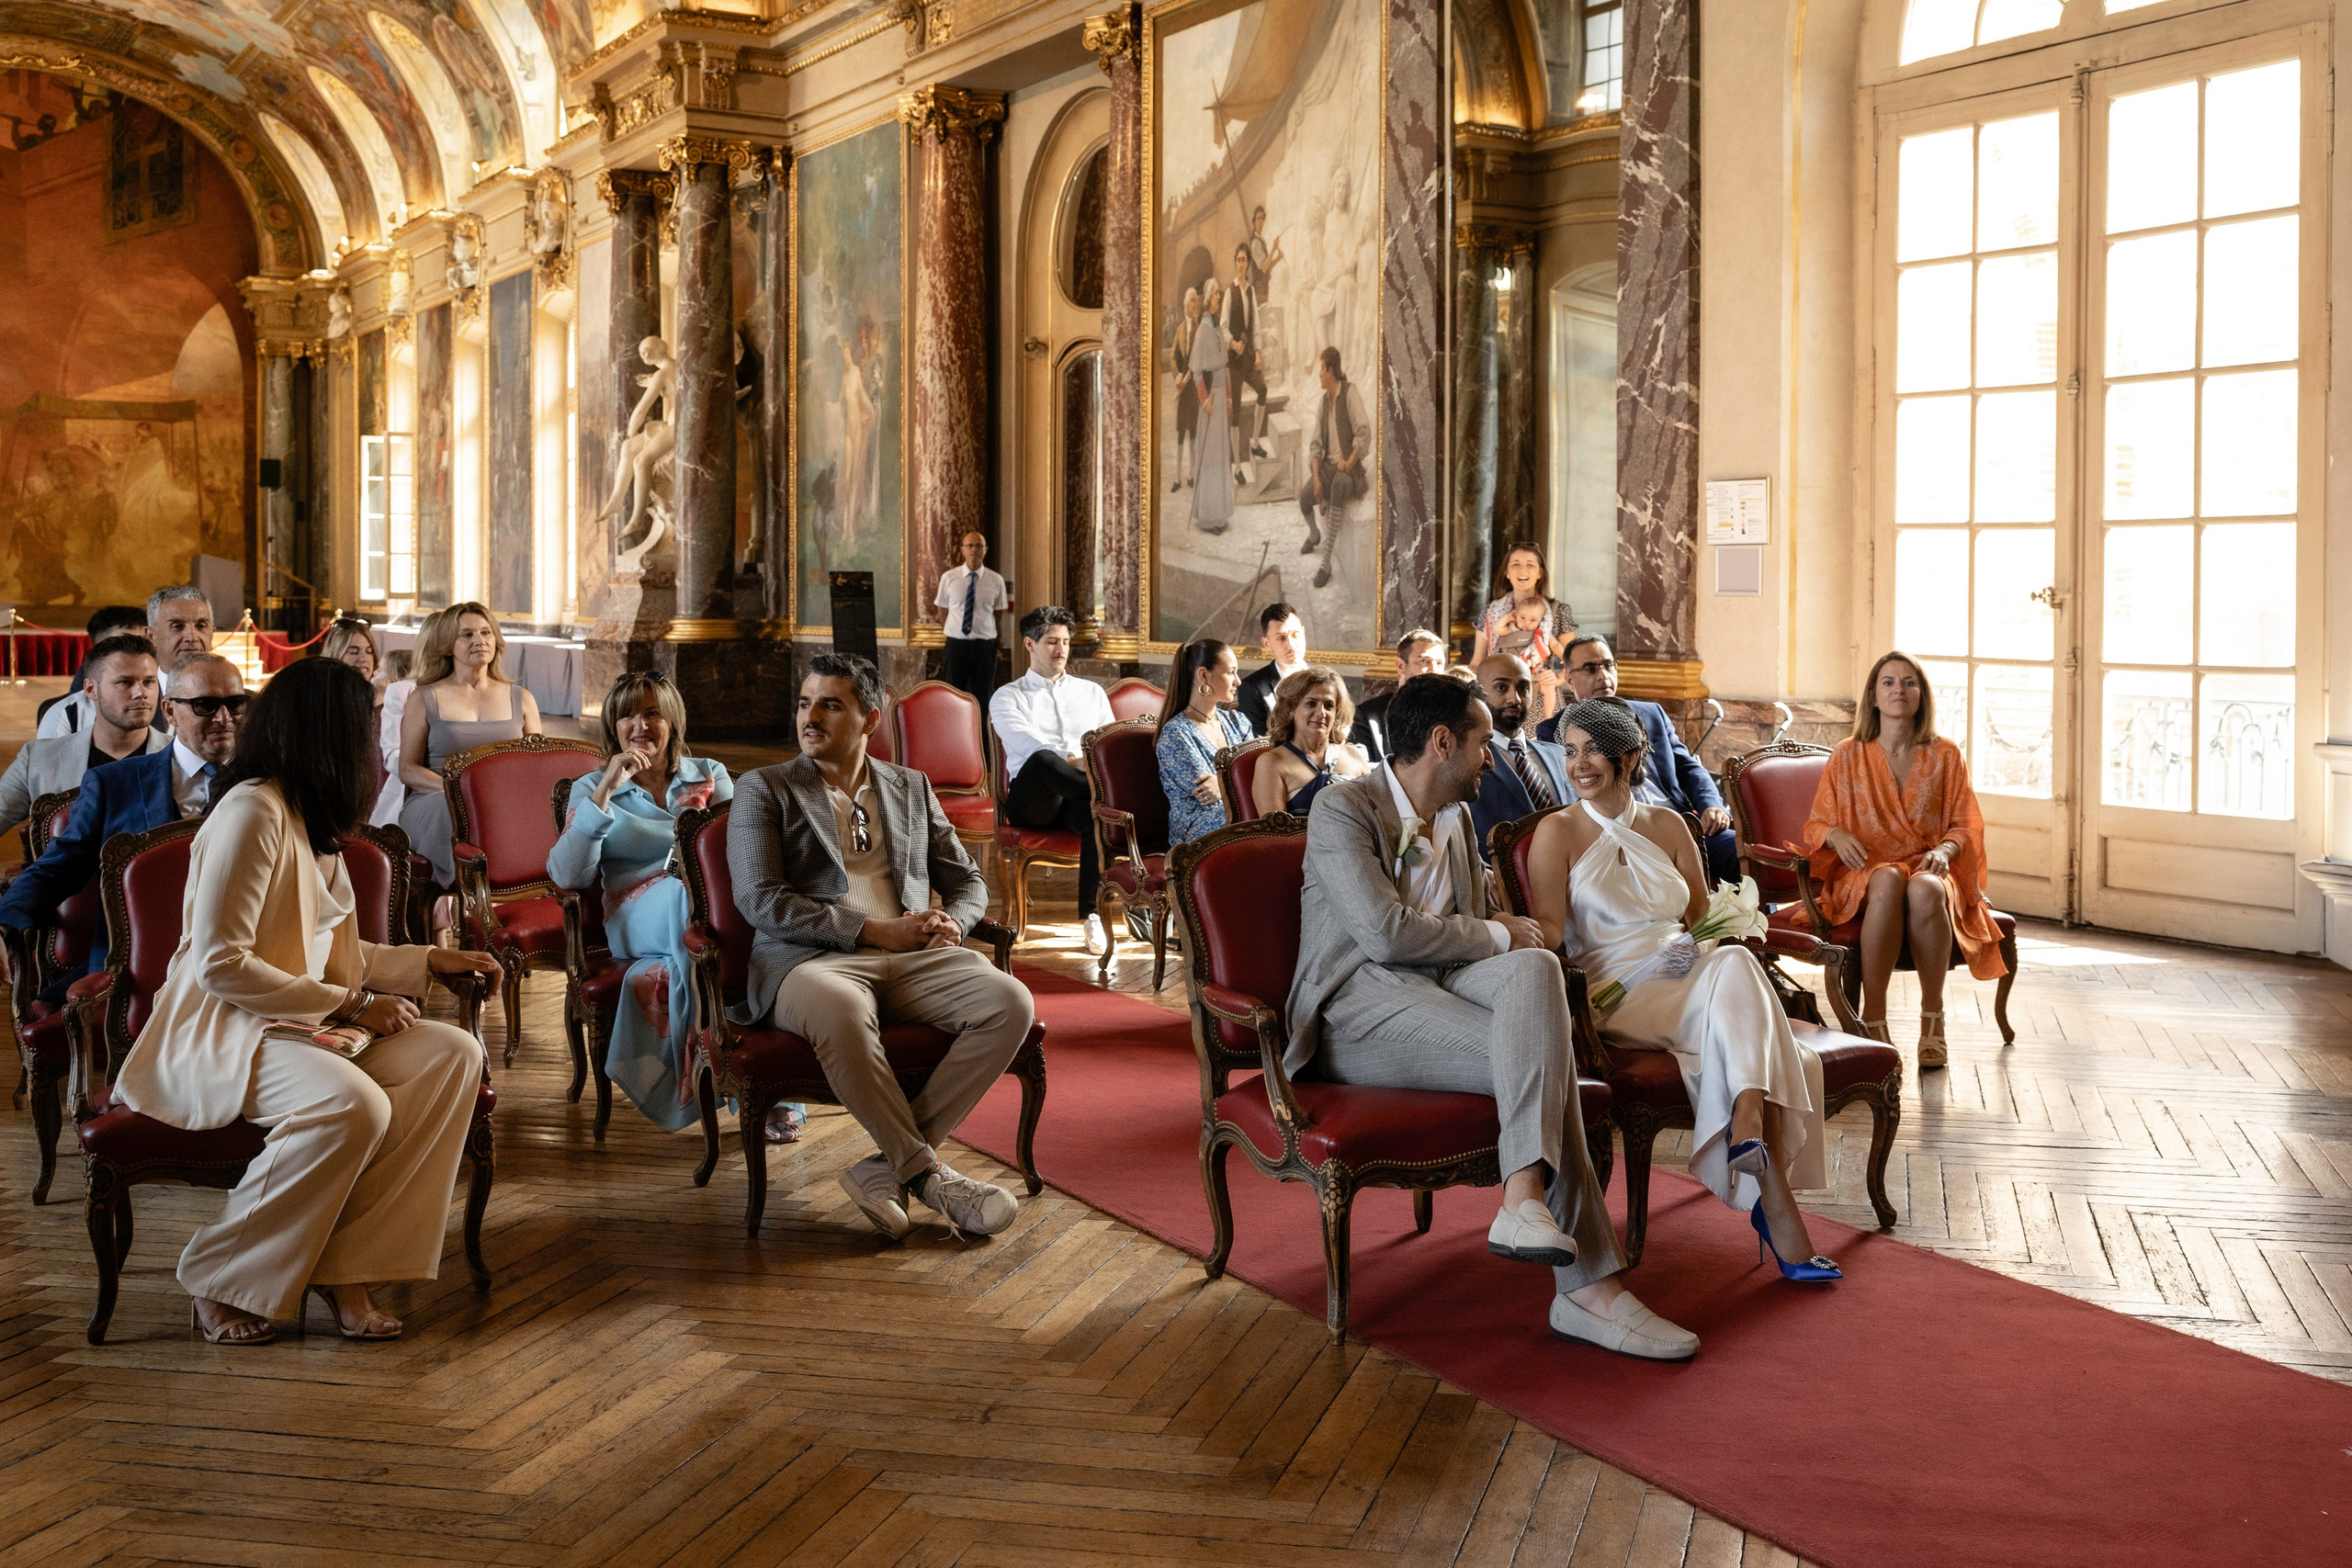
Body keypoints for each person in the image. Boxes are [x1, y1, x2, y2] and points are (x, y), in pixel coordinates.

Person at [1283, 674, 1697, 1359]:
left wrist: (1500, 933)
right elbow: (1385, 933)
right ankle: (1590, 1290)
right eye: (1481, 745)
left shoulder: (1460, 817)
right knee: (1542, 1051)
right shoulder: (1343, 809)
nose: (1492, 760)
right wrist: (1498, 933)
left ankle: (1524, 1200)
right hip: (1355, 1011)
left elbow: (1468, 925)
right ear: (1442, 742)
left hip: (1445, 988)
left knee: (1536, 970)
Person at [110, 656, 500, 1345]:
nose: (374, 744)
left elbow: (331, 955)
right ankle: (217, 1271)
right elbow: (221, 963)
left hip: (297, 1022)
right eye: (365, 726)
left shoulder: (310, 818)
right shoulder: (250, 813)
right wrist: (352, 1004)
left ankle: (346, 1263)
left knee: (454, 1053)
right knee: (353, 1102)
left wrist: (430, 959)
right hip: (229, 1030)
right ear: (327, 732)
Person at [1522, 697, 1841, 1283]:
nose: (1580, 763)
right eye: (1569, 751)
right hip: (1615, 989)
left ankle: (1749, 1125)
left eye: (1593, 748)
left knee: (1734, 960)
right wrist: (1496, 920)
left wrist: (1693, 944)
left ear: (1630, 754)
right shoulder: (1556, 831)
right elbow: (1547, 934)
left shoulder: (1669, 825)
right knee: (1744, 983)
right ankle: (1769, 1178)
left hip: (1688, 971)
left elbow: (1700, 920)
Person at [728, 652, 1036, 1240]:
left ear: (871, 719)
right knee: (845, 1012)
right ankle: (930, 1177)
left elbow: (968, 881)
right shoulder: (765, 789)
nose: (810, 717)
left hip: (913, 957)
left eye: (829, 704)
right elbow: (761, 900)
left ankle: (883, 1167)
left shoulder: (910, 786)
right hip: (808, 964)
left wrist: (956, 923)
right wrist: (871, 932)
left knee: (1011, 1002)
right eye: (804, 702)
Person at [548, 673, 775, 1135]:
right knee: (679, 893)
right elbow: (568, 876)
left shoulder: (710, 775)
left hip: (711, 915)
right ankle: (712, 1049)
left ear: (673, 720)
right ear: (612, 725)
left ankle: (750, 1071)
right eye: (627, 714)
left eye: (652, 712)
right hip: (632, 914)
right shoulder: (590, 786)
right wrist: (607, 790)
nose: (640, 724)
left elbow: (745, 851)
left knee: (756, 937)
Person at [1803, 650, 2008, 1067]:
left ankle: (1933, 1017)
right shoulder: (1847, 754)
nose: (1900, 690)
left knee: (1927, 888)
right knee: (1887, 880)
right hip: (1866, 869)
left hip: (1929, 864)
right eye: (1889, 682)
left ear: (1922, 695)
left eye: (1909, 682)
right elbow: (1816, 824)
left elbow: (1965, 825)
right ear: (1874, 697)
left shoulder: (1946, 754)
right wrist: (1835, 833)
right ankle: (1874, 1018)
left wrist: (1945, 850)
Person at [0, 652, 245, 1001]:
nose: (224, 718)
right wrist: (3, 922)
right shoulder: (113, 784)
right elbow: (59, 869)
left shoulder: (268, 784)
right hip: (131, 973)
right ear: (170, 711)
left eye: (235, 704)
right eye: (205, 705)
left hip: (237, 968)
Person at [1537, 634, 1738, 887]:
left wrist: (1712, 804)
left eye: (1608, 666)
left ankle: (1756, 924)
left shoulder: (1651, 713)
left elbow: (1688, 766)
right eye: (1590, 668)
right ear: (1568, 678)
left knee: (1739, 849)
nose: (1603, 676)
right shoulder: (1556, 730)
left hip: (1680, 823)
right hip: (1620, 836)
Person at [989, 606, 1115, 954]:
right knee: (1044, 758)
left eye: (1065, 642)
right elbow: (1028, 746)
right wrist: (1076, 761)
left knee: (1095, 815)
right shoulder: (1007, 696)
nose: (1061, 650)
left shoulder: (1092, 693)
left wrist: (1087, 767)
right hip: (1033, 802)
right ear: (1029, 644)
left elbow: (1106, 744)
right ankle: (1106, 798)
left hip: (1077, 798)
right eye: (1051, 642)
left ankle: (1092, 916)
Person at [397, 603, 541, 889]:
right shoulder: (424, 698)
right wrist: (461, 793)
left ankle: (527, 887)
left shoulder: (522, 698)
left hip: (503, 799)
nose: (480, 640)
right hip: (437, 799)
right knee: (451, 811)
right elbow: (408, 770)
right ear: (448, 646)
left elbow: (537, 765)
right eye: (467, 635)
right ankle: (476, 901)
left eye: (486, 632)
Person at [0, 634, 168, 841]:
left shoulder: (181, 757)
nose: (140, 693)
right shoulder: (38, 759)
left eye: (149, 682)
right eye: (125, 682)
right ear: (90, 689)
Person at [1467, 654, 1571, 863]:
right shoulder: (1468, 762)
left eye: (1523, 688)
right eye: (1501, 688)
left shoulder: (1559, 754)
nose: (1515, 699)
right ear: (1478, 693)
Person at [1155, 639, 1253, 846]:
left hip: (1241, 814)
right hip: (1196, 831)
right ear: (1204, 675)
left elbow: (1258, 772)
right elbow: (1207, 799)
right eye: (1230, 672)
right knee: (1255, 819)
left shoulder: (1238, 722)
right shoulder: (1176, 733)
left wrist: (1221, 783)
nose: (1238, 681)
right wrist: (1236, 781)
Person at [1251, 665, 1371, 819]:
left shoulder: (1354, 755)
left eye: (1329, 705)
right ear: (1290, 709)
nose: (1321, 713)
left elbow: (1378, 815)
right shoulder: (1271, 763)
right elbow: (1274, 837)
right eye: (1311, 703)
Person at [1298, 347, 1370, 590]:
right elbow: (1316, 445)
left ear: (1331, 370)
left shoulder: (1349, 393)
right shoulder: (1323, 403)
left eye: (1321, 369)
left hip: (1349, 470)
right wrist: (1317, 479)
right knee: (1304, 498)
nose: (1319, 375)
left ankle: (1326, 563)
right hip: (1328, 468)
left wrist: (1348, 463)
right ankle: (1314, 534)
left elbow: (1364, 431)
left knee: (1339, 486)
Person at [33, 605, 148, 737]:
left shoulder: (171, 702)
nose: (138, 654)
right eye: (121, 646)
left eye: (144, 644)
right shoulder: (68, 715)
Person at [1471, 543, 1576, 676]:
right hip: (1500, 689)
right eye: (1516, 564)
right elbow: (1476, 663)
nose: (1523, 570)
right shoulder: (1490, 611)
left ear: (1540, 573)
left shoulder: (1559, 611)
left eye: (1530, 565)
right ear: (1507, 573)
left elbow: (1574, 663)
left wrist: (1557, 679)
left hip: (1541, 691)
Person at [1350, 627, 1447, 762]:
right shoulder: (1368, 716)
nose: (1434, 670)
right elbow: (1360, 768)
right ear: (1400, 666)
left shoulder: (1453, 714)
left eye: (1439, 663)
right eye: (1424, 661)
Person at [934, 530, 1008, 703]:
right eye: (970, 545)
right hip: (956, 645)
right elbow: (942, 610)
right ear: (962, 550)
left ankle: (981, 730)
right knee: (952, 695)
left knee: (983, 696)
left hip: (983, 646)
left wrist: (981, 627)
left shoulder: (996, 580)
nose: (974, 549)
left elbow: (998, 613)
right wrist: (956, 629)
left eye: (979, 546)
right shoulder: (949, 578)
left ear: (985, 550)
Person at [1188, 279, 1234, 534]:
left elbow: (1223, 368)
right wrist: (1205, 401)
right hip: (1209, 406)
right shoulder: (1204, 330)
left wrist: (1228, 397)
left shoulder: (1216, 328)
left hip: (1219, 400)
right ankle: (1209, 516)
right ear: (1208, 299)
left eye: (1219, 294)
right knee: (1211, 460)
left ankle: (1221, 514)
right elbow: (1196, 372)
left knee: (1220, 457)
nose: (1219, 297)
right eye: (1216, 294)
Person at [1222, 243, 1270, 471]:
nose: (1241, 264)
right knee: (1236, 413)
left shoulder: (1250, 291)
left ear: (1248, 263)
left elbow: (1256, 327)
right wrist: (1233, 344)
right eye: (1238, 260)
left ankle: (1255, 442)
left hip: (1249, 358)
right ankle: (1238, 467)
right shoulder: (1229, 293)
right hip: (1234, 361)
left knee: (1262, 389)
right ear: (1235, 263)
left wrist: (1258, 354)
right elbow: (1222, 327)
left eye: (1244, 260)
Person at [1237, 602, 1308, 733]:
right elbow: (1257, 744)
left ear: (1303, 633)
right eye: (1281, 638)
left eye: (1295, 635)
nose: (1291, 645)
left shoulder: (1327, 680)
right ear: (1266, 643)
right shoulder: (1252, 688)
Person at [1170, 288, 1204, 493]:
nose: (1195, 304)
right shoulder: (1180, 329)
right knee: (1181, 432)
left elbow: (1200, 358)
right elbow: (1173, 357)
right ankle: (1177, 477)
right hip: (1182, 386)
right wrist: (1177, 377)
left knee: (1193, 431)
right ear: (1185, 305)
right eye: (1191, 301)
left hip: (1194, 387)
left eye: (1196, 301)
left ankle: (1192, 475)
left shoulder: (1200, 329)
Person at [148, 584, 216, 670]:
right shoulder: (137, 682)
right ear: (152, 636)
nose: (192, 638)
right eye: (178, 626)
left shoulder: (229, 682)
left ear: (212, 634)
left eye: (201, 626)